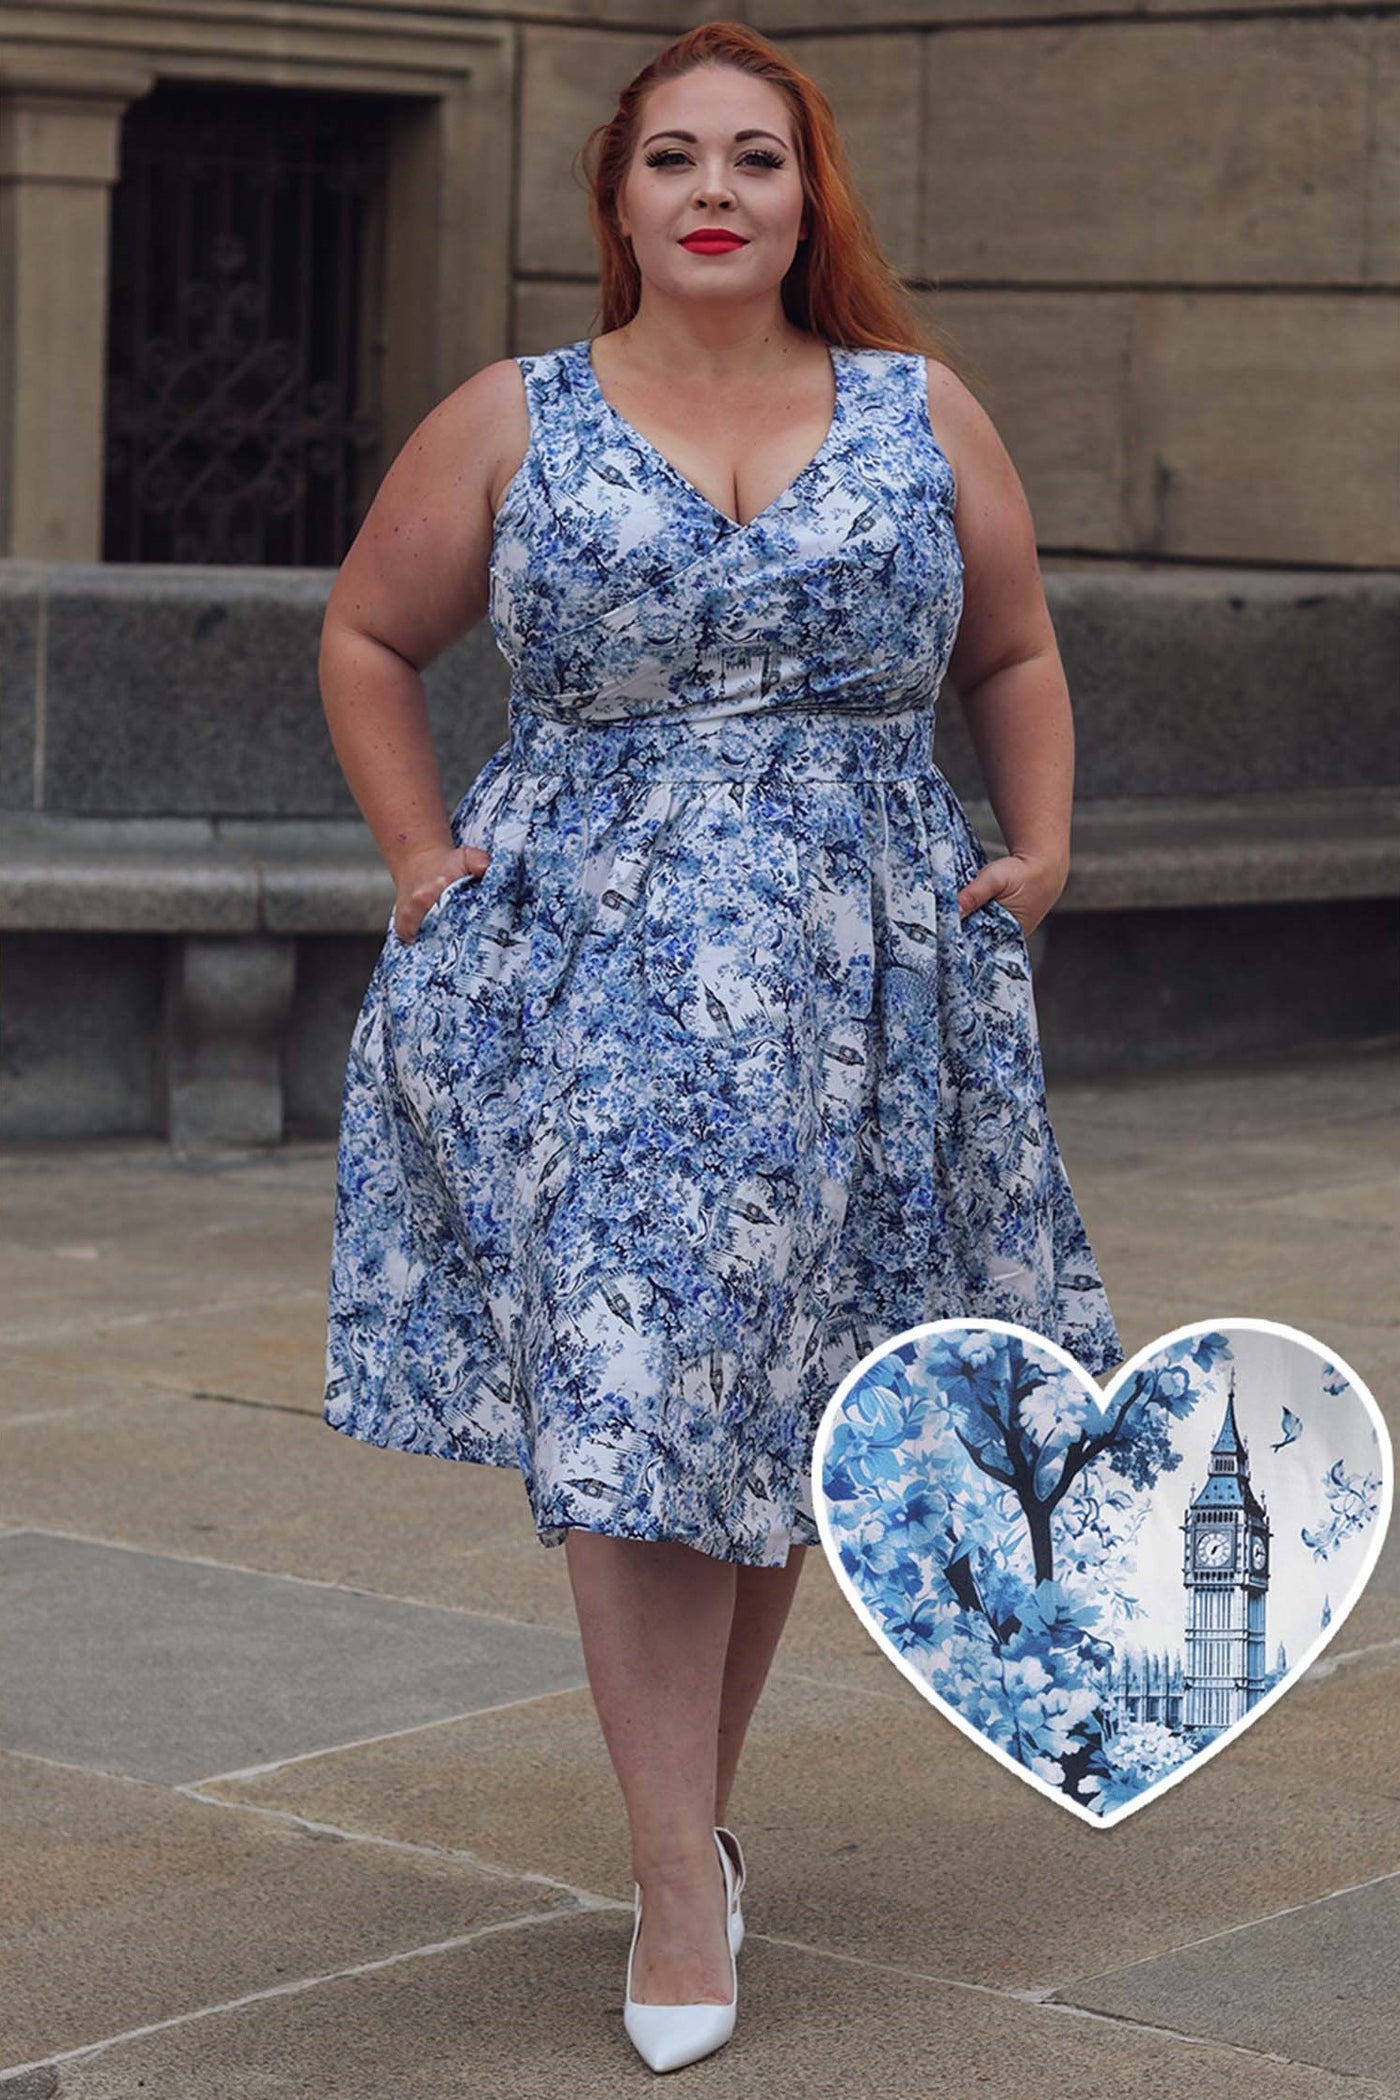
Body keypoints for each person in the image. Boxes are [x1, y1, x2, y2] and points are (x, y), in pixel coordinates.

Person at [319, 18, 1123, 2073]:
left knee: (776, 1421)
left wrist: (1033, 850)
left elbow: (1011, 643)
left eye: (753, 159)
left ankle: (694, 1823)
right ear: (612, 199)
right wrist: (423, 860)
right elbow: (367, 638)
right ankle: (677, 1881)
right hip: (586, 982)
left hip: (865, 979)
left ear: (802, 198)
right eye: (670, 155)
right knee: (629, 1411)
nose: (711, 190)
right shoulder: (517, 415)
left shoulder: (914, 407)